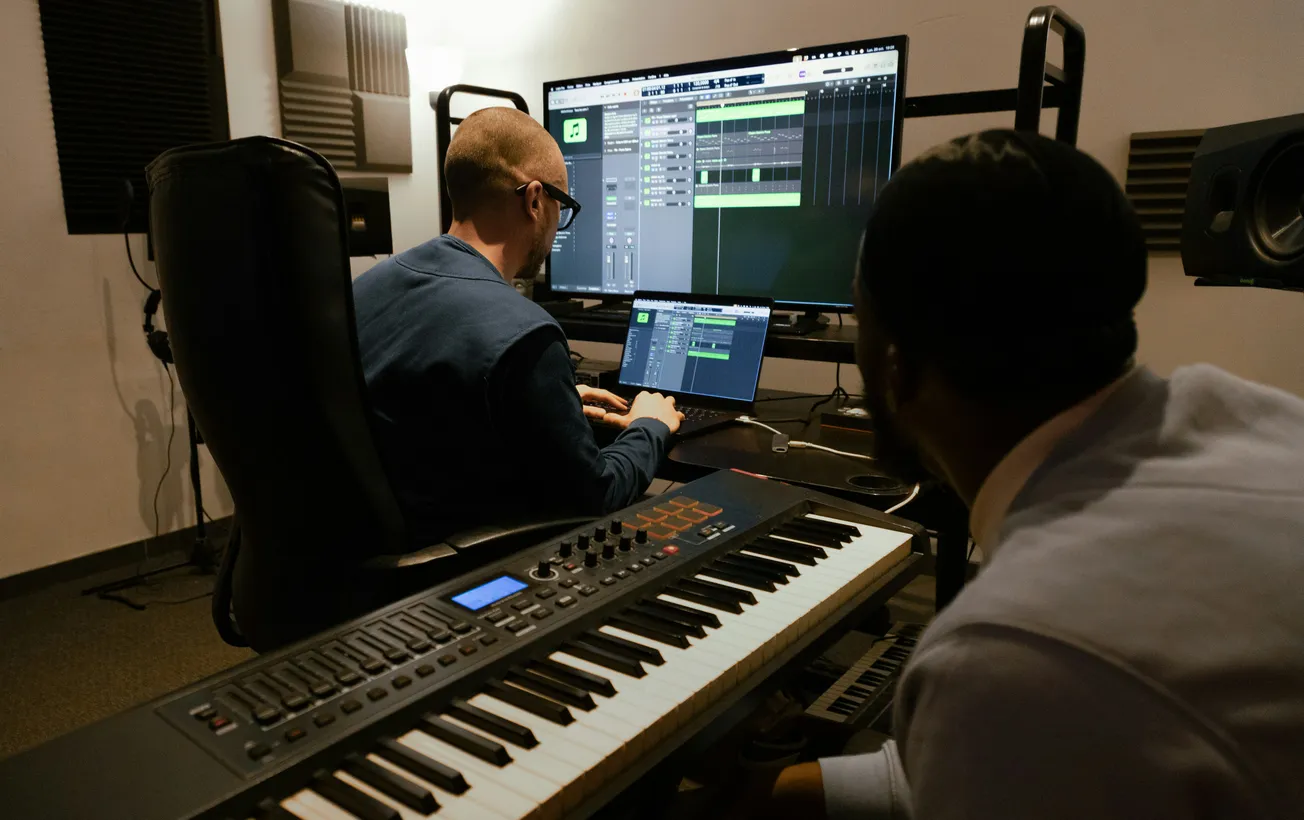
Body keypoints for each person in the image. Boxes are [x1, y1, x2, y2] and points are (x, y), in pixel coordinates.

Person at [770, 130, 1304, 819]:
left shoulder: (1006, 658)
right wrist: (802, 790)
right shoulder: (1257, 416)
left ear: (895, 367)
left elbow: (1025, 709)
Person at [352, 108, 683, 546]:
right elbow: (595, 494)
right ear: (533, 200)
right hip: (454, 573)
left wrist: (541, 401)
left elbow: (413, 400)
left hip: (344, 559)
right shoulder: (527, 333)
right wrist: (650, 426)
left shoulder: (366, 288)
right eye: (561, 206)